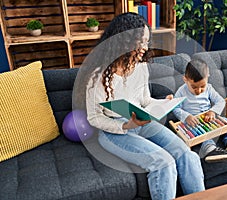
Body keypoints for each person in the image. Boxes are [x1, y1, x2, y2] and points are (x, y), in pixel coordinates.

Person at [83, 13, 205, 200]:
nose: (145, 48)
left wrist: (164, 102)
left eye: (147, 41)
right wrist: (125, 126)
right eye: (140, 42)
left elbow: (145, 101)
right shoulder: (96, 76)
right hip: (114, 132)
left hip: (142, 122)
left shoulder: (140, 67)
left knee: (186, 154)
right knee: (163, 163)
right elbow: (94, 118)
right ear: (124, 41)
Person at [172, 58, 227, 163]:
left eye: (202, 86)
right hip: (193, 122)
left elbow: (220, 101)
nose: (199, 90)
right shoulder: (181, 91)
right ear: (185, 79)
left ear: (208, 78)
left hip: (208, 119)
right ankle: (210, 149)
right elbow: (175, 107)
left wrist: (212, 112)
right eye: (194, 87)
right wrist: (186, 116)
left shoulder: (209, 89)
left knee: (226, 121)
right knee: (203, 134)